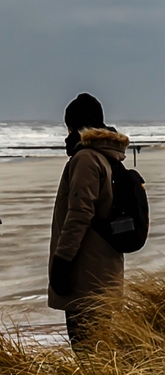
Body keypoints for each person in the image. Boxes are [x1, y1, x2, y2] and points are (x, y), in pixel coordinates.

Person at [48, 92, 130, 349]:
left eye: (69, 126)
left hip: (85, 274)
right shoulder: (108, 157)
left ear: (75, 127)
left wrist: (62, 261)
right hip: (104, 269)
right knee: (99, 347)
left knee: (86, 350)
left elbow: (79, 214)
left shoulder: (85, 159)